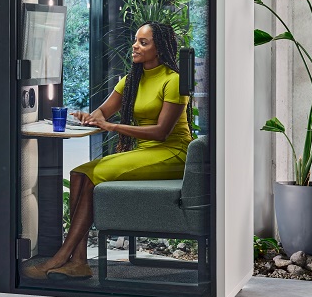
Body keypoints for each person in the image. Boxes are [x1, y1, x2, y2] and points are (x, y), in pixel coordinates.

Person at [23, 22, 191, 280]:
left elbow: (161, 132)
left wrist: (112, 126)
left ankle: (60, 257)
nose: (135, 46)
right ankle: (79, 262)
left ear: (159, 49)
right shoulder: (131, 80)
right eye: (135, 40)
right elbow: (102, 111)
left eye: (143, 42)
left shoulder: (174, 80)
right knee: (79, 173)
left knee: (95, 173)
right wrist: (90, 118)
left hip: (173, 153)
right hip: (146, 152)